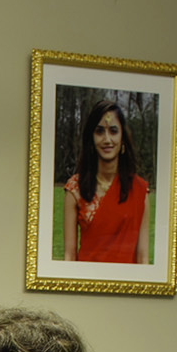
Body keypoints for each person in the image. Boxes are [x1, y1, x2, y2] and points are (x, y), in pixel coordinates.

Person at [63, 98, 149, 263]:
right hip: (85, 283)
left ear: (122, 138)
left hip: (126, 285)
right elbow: (69, 256)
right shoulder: (75, 189)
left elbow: (143, 257)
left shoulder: (139, 191)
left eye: (113, 131)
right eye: (100, 131)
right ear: (91, 138)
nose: (107, 139)